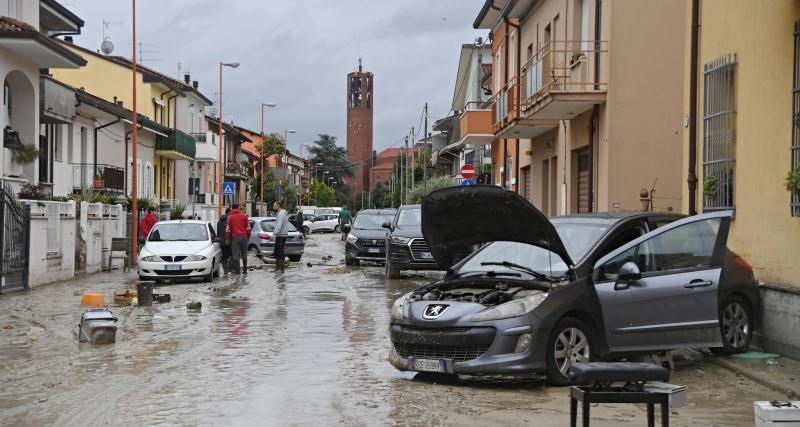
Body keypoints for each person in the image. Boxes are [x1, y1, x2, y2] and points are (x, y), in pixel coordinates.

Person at [225, 204, 251, 275]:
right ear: (238, 208)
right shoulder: (244, 215)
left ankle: (238, 272)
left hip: (235, 238)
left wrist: (227, 238)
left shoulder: (230, 217)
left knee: (235, 255)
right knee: (244, 254)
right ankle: (245, 271)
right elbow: (248, 227)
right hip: (244, 237)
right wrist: (248, 236)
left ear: (232, 208)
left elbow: (228, 229)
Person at [272, 201, 290, 272]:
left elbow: (279, 227)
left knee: (279, 252)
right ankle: (278, 268)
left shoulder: (281, 214)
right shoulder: (282, 214)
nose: (273, 207)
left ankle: (280, 269)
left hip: (280, 235)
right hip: (282, 235)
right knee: (279, 251)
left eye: (274, 205)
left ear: (278, 205)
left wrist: (274, 234)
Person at [216, 208, 232, 274]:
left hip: (221, 241)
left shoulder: (219, 222)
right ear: (228, 213)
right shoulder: (229, 221)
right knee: (231, 255)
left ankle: (225, 270)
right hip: (228, 240)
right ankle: (229, 269)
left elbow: (218, 232)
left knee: (224, 256)